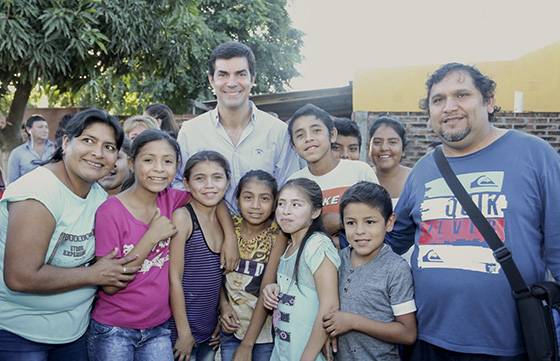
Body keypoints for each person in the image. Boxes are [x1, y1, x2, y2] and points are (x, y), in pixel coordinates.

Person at [386, 63, 560, 360]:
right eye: (438, 100)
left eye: (462, 95)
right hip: (427, 341)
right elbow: (390, 243)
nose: (449, 107)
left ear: (489, 101)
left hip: (511, 346)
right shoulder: (422, 171)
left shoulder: (535, 155)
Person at [0, 108, 138, 360]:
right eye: (88, 141)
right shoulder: (39, 192)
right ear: (65, 142)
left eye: (108, 147)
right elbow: (19, 276)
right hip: (20, 333)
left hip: (74, 332)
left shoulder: (98, 196)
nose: (98, 153)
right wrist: (94, 274)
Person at [88, 129, 191, 360]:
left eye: (168, 161)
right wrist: (152, 237)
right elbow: (110, 286)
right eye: (148, 160)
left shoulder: (170, 198)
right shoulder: (110, 211)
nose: (158, 169)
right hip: (114, 330)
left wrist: (227, 235)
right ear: (132, 164)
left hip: (158, 328)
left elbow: (210, 197)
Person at [176, 41, 300, 213]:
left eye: (240, 74)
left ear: (252, 79)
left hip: (267, 235)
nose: (232, 83)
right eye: (223, 75)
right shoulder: (190, 132)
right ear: (211, 80)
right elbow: (177, 185)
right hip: (207, 234)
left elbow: (288, 188)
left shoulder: (277, 131)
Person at [322, 181, 417, 360]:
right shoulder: (337, 260)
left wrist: (353, 322)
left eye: (370, 222)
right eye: (351, 223)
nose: (360, 231)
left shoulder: (396, 269)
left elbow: (407, 333)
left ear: (389, 223)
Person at [263, 178, 340, 361]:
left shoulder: (317, 244)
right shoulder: (289, 247)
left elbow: (329, 306)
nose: (286, 211)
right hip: (283, 352)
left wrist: (307, 358)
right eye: (281, 204)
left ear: (315, 211)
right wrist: (273, 288)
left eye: (296, 204)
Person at [287, 104, 378, 249]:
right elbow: (292, 233)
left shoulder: (360, 171)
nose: (309, 138)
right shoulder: (293, 183)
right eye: (300, 135)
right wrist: (325, 224)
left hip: (358, 264)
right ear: (293, 145)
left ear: (332, 135)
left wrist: (338, 222)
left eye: (316, 130)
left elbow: (378, 220)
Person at [169, 151, 231, 361]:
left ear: (227, 182)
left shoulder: (224, 222)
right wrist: (184, 333)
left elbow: (214, 275)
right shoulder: (183, 218)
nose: (209, 185)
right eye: (200, 178)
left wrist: (223, 308)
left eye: (217, 177)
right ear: (186, 184)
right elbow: (174, 279)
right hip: (180, 333)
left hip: (209, 331)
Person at [219, 170, 288, 361]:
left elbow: (267, 288)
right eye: (248, 197)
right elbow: (216, 274)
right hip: (231, 330)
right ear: (237, 199)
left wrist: (247, 345)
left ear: (275, 203)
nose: (256, 206)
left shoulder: (278, 236)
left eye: (264, 199)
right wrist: (223, 306)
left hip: (264, 335)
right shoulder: (228, 229)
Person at [368, 116, 411, 206]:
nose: (384, 148)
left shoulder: (415, 179)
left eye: (392, 142)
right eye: (377, 142)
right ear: (369, 147)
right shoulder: (362, 177)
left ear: (403, 149)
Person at [7, 114, 56, 183]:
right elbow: (12, 182)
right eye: (40, 127)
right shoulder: (17, 153)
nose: (45, 130)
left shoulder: (56, 149)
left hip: (52, 192)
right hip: (27, 192)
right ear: (29, 129)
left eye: (46, 127)